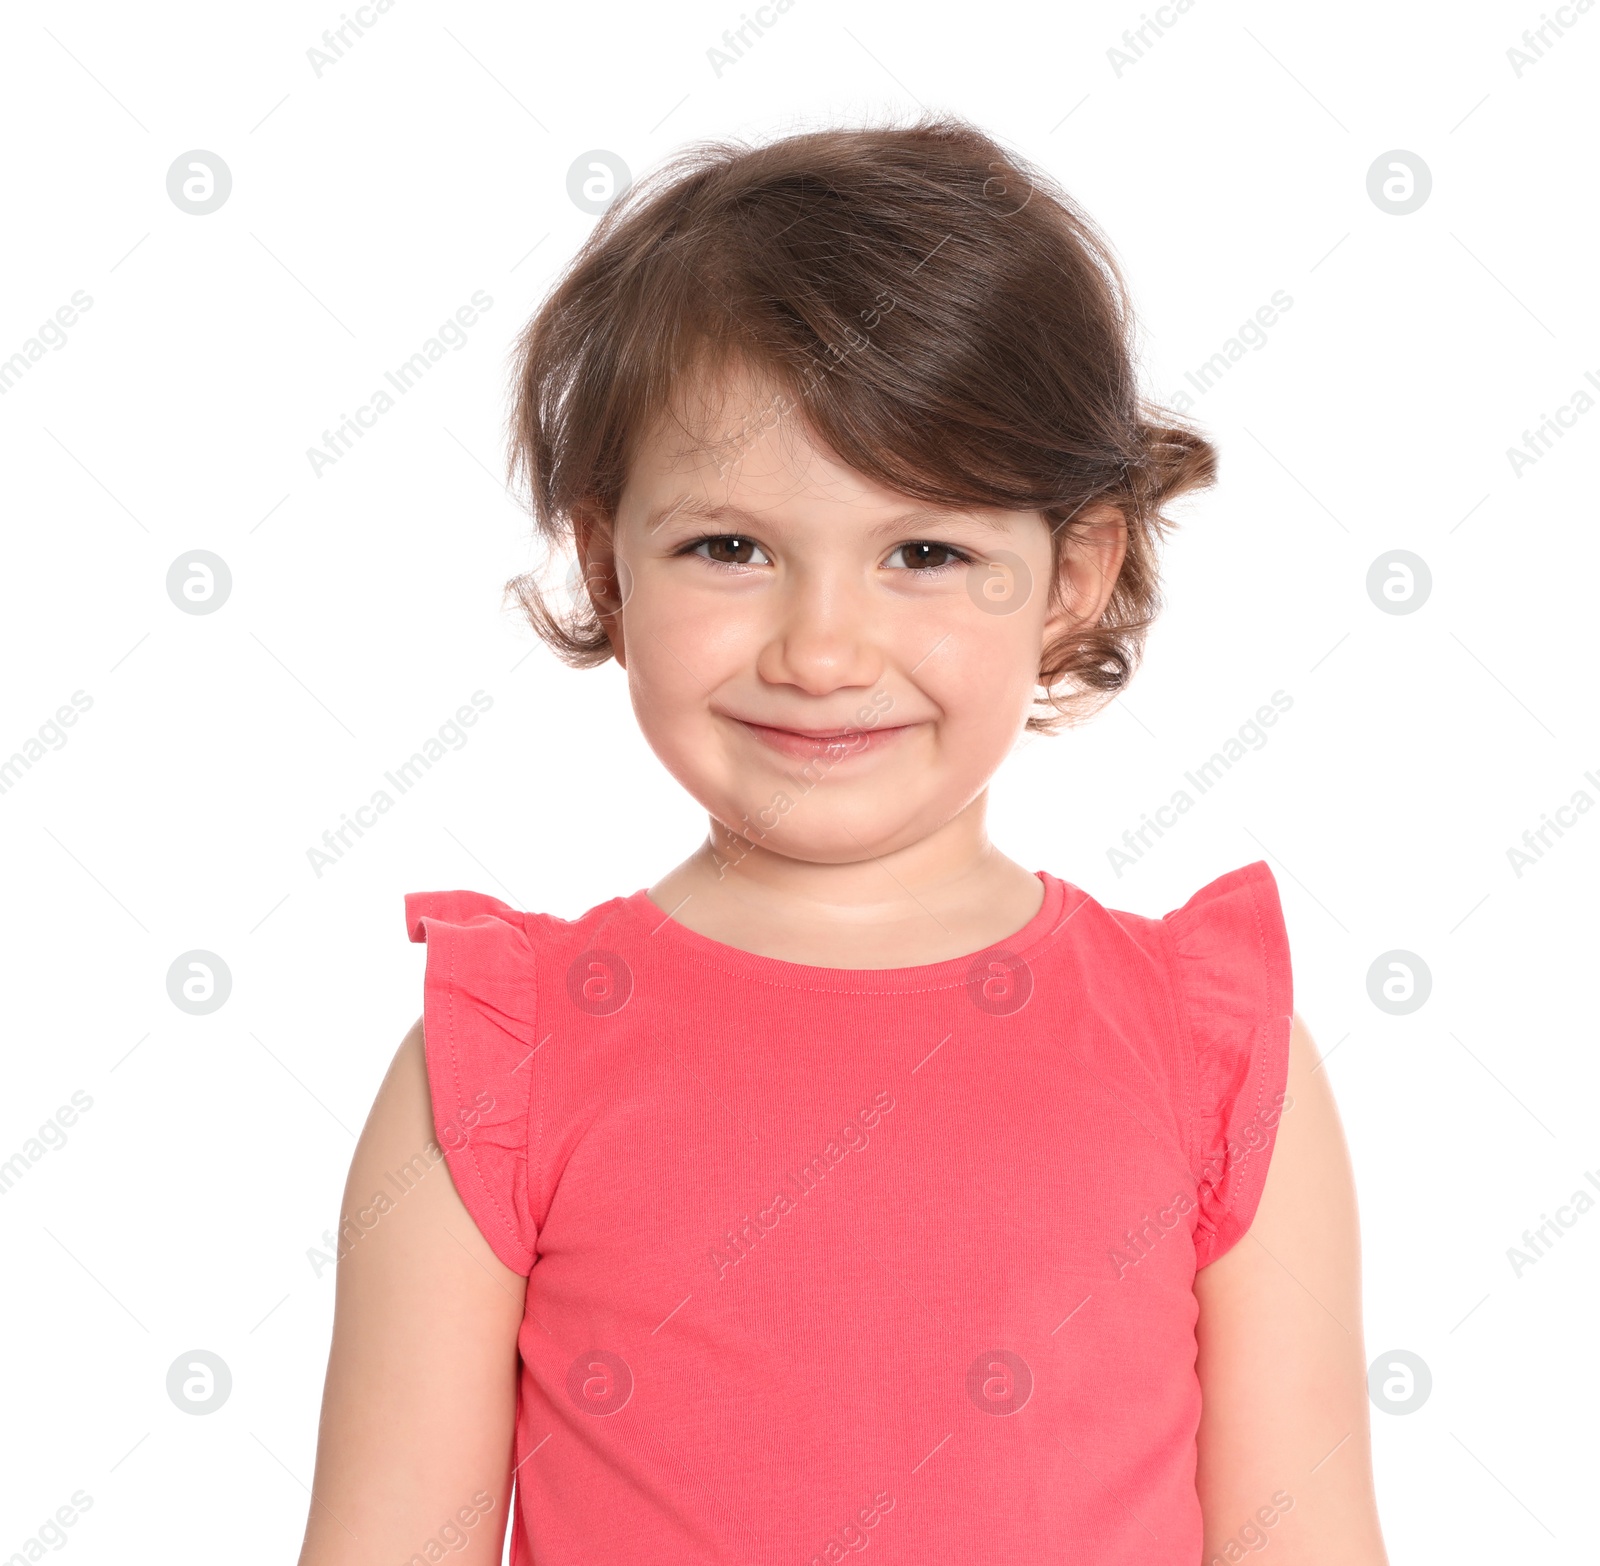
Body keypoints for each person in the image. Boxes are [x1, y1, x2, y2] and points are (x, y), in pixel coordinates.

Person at [297, 115, 1389, 1565]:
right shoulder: (502, 1059)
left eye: (924, 552)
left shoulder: (1210, 1048)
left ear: (1072, 574)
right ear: (606, 563)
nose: (822, 648)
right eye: (729, 548)